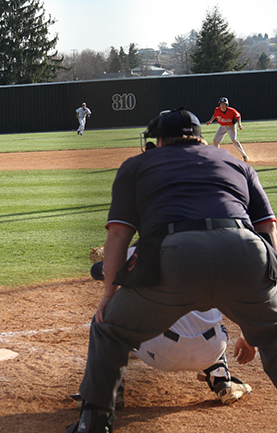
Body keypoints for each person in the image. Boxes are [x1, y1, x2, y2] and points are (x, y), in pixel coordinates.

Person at [67, 108, 277, 433]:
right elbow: (267, 228)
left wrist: (108, 294)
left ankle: (93, 422)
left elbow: (119, 235)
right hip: (246, 250)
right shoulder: (236, 163)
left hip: (177, 254)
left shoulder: (137, 165)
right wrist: (266, 299)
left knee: (110, 329)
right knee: (274, 335)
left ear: (159, 140)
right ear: (200, 135)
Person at [81, 252, 255, 407]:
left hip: (162, 353)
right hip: (212, 350)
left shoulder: (142, 251)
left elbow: (96, 271)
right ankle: (222, 381)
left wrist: (113, 257)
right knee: (213, 326)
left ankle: (110, 392)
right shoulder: (215, 252)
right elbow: (243, 298)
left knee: (109, 319)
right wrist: (248, 336)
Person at [205, 97, 249, 162]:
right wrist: (210, 121)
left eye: (224, 104)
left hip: (231, 126)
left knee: (234, 140)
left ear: (226, 105)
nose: (222, 105)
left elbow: (238, 116)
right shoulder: (217, 110)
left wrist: (240, 124)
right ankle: (217, 156)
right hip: (222, 126)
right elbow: (215, 115)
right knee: (215, 140)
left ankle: (244, 155)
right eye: (221, 104)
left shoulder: (232, 111)